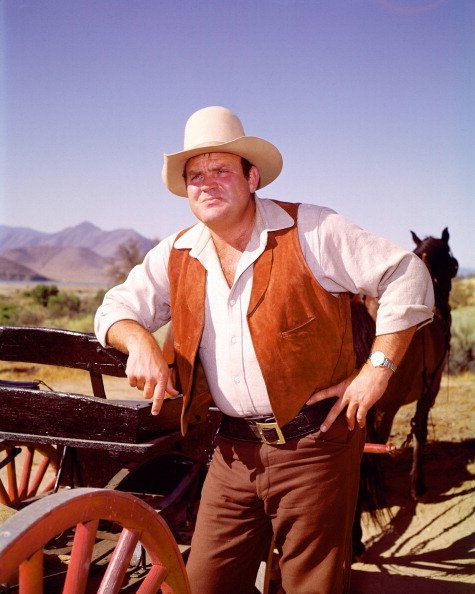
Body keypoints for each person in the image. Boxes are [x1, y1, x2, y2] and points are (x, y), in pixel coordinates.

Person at [95, 106, 434, 593]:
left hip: (316, 448)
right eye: (195, 176)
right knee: (205, 584)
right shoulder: (177, 253)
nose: (207, 183)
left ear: (252, 177)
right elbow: (116, 306)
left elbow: (406, 273)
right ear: (186, 190)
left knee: (312, 588)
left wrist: (377, 368)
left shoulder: (312, 230)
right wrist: (139, 339)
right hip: (231, 456)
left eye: (221, 170)